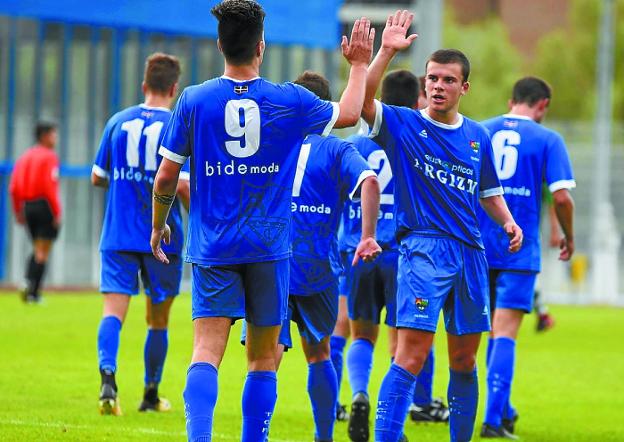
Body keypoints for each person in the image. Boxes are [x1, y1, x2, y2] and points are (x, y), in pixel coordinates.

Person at [150, 1, 375, 440]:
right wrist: (360, 64)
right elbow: (349, 113)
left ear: (220, 45)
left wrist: (159, 224)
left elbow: (165, 175)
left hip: (213, 245)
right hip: (270, 247)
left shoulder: (194, 99)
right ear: (261, 46)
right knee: (261, 357)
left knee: (205, 351)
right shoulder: (287, 99)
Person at [360, 11, 523, 442]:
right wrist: (386, 52)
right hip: (423, 252)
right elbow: (362, 101)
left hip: (470, 253)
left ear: (463, 87)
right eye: (432, 78)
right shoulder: (405, 124)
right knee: (410, 356)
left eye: (448, 80)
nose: (437, 85)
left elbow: (488, 191)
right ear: (423, 84)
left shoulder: (477, 137)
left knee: (465, 361)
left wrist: (507, 222)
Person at [91, 52, 189, 416]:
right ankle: (150, 393)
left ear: (145, 85)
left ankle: (107, 378)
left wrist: (124, 180)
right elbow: (182, 187)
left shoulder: (118, 122)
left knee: (112, 313)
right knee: (157, 319)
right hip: (162, 237)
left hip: (118, 234)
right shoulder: (178, 126)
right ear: (174, 88)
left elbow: (97, 176)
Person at [479, 76, 575, 439]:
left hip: (478, 246)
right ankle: (493, 421)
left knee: (485, 332)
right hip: (519, 250)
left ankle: (503, 409)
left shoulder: (481, 130)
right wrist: (569, 236)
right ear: (543, 106)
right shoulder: (547, 138)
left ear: (510, 101)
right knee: (505, 333)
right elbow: (562, 198)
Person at [9, 122, 61, 304]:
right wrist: (56, 212)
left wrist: (17, 210)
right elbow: (50, 187)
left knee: (37, 247)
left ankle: (28, 283)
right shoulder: (49, 157)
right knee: (42, 251)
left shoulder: (24, 157)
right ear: (44, 136)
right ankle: (33, 291)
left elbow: (13, 188)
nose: (55, 138)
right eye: (53, 135)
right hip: (44, 205)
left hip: (28, 206)